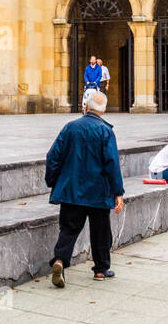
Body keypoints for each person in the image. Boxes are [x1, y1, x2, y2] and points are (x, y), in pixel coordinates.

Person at [46, 88, 125, 286]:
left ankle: (59, 261)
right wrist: (118, 192)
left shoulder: (70, 127)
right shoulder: (106, 131)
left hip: (71, 190)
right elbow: (112, 164)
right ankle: (101, 269)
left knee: (69, 229)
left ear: (86, 106)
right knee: (100, 230)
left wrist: (53, 182)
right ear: (104, 110)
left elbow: (53, 157)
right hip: (98, 192)